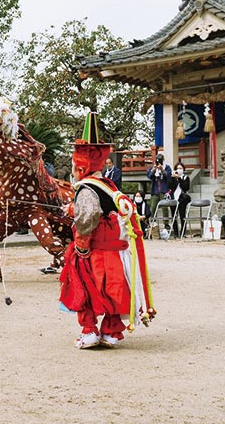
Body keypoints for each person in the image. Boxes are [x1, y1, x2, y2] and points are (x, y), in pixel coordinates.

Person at [58, 112, 155, 349]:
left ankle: (89, 330)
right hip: (115, 251)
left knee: (85, 288)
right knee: (114, 290)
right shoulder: (109, 186)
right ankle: (111, 331)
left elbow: (89, 215)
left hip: (94, 251)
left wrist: (74, 221)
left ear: (81, 164)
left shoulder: (87, 188)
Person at [168, 162, 192, 237]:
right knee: (174, 216)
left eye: (180, 168)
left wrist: (179, 178)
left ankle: (183, 232)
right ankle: (175, 232)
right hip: (174, 197)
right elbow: (171, 187)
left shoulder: (186, 177)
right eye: (178, 168)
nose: (179, 170)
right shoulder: (173, 177)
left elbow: (185, 187)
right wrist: (173, 178)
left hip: (182, 198)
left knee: (182, 215)